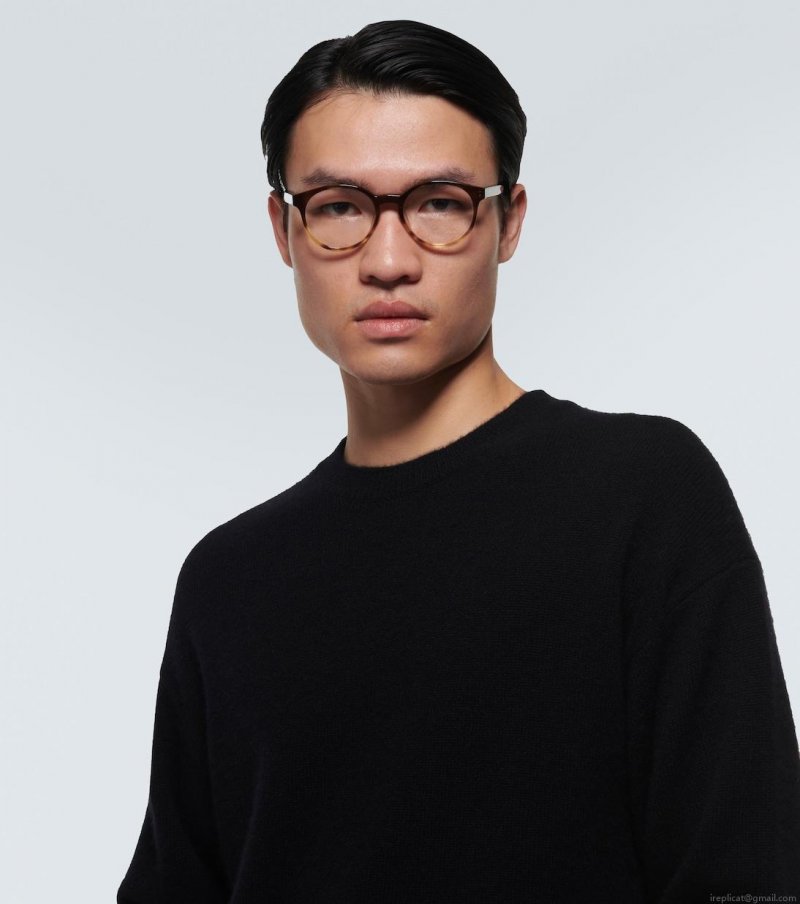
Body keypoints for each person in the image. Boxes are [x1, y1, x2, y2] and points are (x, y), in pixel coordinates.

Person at [117, 19, 800, 903]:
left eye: (439, 203)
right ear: (284, 230)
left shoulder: (641, 495)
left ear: (507, 222)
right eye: (339, 207)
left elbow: (747, 870)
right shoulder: (228, 579)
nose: (388, 261)